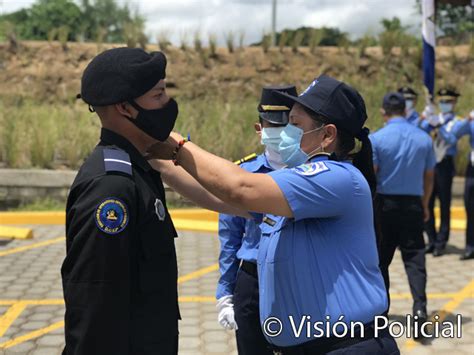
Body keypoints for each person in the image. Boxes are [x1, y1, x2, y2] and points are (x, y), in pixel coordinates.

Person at [147, 75, 399, 354]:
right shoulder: (294, 187)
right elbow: (212, 195)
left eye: (295, 124)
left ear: (327, 135)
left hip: (345, 347)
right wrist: (158, 157)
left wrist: (177, 146)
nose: (285, 131)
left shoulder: (336, 178)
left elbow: (239, 187)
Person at [62, 47, 204, 355]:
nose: (168, 103)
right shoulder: (111, 188)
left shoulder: (139, 166)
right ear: (125, 107)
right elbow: (94, 304)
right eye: (159, 95)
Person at [216, 85, 296, 355]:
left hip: (296, 277)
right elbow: (230, 237)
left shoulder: (310, 171)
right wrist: (225, 292)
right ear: (259, 128)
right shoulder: (243, 174)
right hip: (253, 279)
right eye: (272, 125)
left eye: (288, 124)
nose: (280, 132)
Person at [370, 92, 435, 333]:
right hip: (413, 205)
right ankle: (419, 308)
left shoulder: (377, 139)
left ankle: (380, 314)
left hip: (385, 206)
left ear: (383, 112)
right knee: (415, 258)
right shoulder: (423, 138)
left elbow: (373, 175)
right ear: (406, 112)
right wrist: (426, 204)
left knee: (381, 261)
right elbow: (429, 176)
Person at [420, 87, 465, 256]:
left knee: (444, 204)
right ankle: (431, 239)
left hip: (445, 165)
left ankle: (441, 241)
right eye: (442, 101)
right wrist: (427, 118)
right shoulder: (434, 118)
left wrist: (438, 127)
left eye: (448, 101)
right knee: (428, 202)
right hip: (430, 164)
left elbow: (452, 139)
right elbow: (421, 129)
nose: (445, 104)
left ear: (454, 103)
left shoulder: (458, 122)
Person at [451, 110, 474, 260]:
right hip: (472, 169)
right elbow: (456, 132)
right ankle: (470, 247)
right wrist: (468, 119)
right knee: (470, 207)